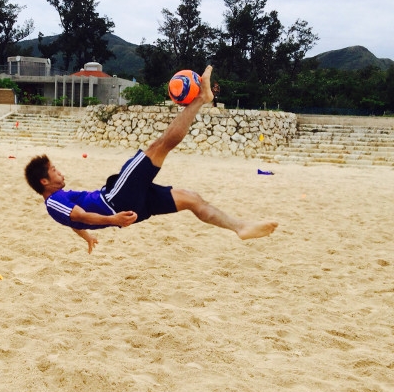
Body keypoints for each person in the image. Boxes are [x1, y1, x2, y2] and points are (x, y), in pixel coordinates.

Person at [24, 66, 278, 254]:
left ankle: (240, 227)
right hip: (116, 200)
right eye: (54, 170)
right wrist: (112, 220)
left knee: (191, 198)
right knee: (160, 146)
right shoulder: (53, 201)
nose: (60, 172)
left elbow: (74, 220)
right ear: (45, 181)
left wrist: (86, 237)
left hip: (131, 209)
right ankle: (202, 98)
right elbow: (79, 214)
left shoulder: (59, 202)